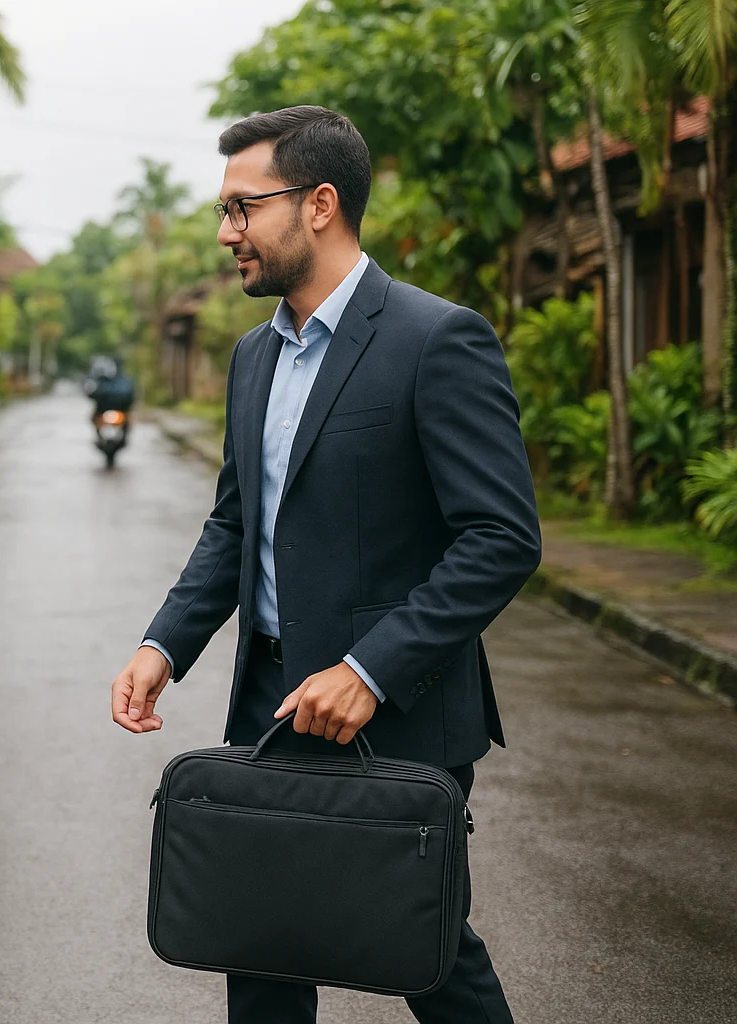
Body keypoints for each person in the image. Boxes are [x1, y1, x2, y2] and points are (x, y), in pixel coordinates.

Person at [108, 106, 540, 1023]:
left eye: (241, 208)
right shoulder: (251, 356)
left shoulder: (437, 339)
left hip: (399, 712)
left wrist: (369, 670)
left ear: (320, 204)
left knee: (428, 954)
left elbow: (500, 538)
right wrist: (164, 644)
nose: (226, 232)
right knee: (258, 941)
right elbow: (236, 525)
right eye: (222, 212)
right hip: (270, 702)